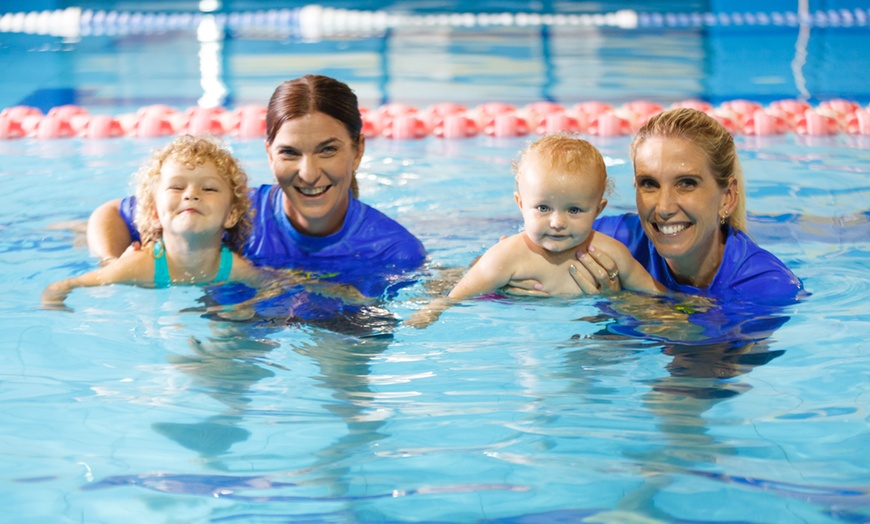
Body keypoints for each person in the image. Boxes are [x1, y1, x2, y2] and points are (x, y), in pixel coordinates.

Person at [85, 75, 426, 302]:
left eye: (328, 150)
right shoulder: (228, 209)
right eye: (289, 153)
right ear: (269, 153)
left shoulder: (394, 251)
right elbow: (111, 213)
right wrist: (112, 264)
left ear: (358, 151)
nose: (308, 174)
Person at [42, 134, 361, 309]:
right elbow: (65, 285)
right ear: (153, 209)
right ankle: (73, 229)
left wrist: (344, 292)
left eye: (208, 189)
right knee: (79, 236)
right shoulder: (139, 266)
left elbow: (279, 283)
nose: (191, 195)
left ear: (232, 214)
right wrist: (56, 304)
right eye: (177, 187)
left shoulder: (230, 266)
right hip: (130, 241)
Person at [406, 134, 666, 328]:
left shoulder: (611, 253)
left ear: (598, 210)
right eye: (543, 207)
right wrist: (430, 312)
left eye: (574, 210)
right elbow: (455, 296)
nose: (557, 222)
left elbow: (656, 297)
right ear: (521, 204)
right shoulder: (508, 256)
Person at [561, 107, 804, 306]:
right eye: (649, 184)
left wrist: (632, 302)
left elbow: (704, 361)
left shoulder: (765, 287)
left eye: (687, 183)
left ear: (727, 197)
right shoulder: (615, 241)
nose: (664, 207)